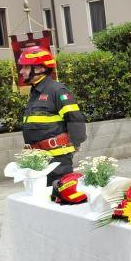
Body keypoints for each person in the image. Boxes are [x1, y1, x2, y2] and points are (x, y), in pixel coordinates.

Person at [19, 46, 86, 184]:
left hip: (57, 161)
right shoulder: (35, 92)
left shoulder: (57, 90)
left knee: (59, 198)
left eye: (26, 67)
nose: (21, 71)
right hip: (39, 159)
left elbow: (75, 118)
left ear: (40, 68)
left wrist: (75, 143)